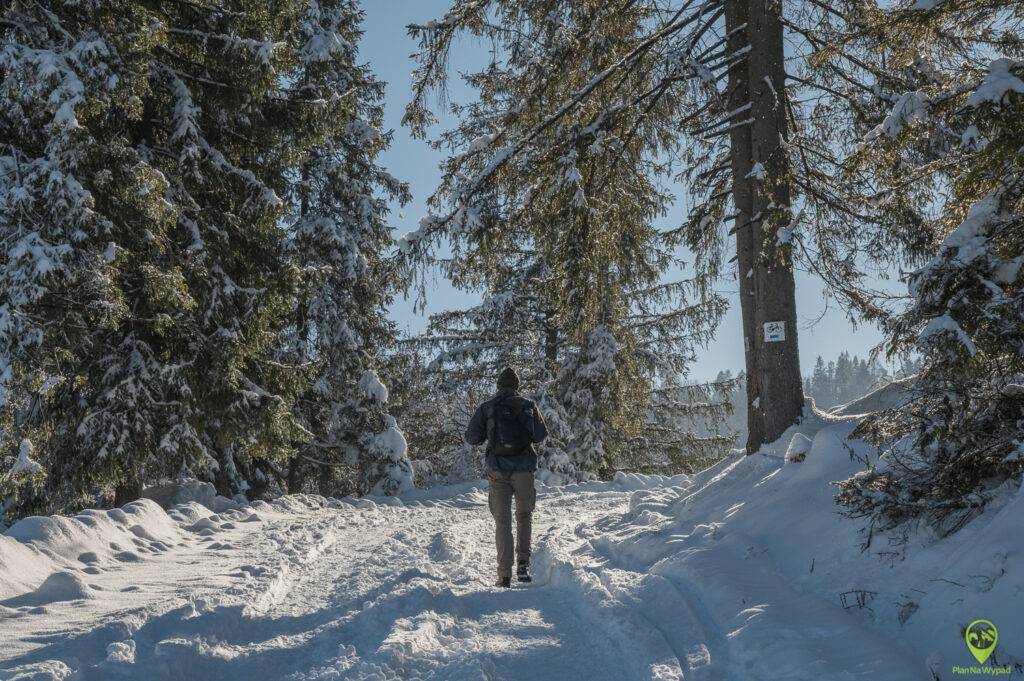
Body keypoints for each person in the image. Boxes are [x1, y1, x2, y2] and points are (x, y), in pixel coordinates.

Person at [465, 366, 548, 588]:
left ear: (499, 386)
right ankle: (523, 563)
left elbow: (472, 437)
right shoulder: (528, 406)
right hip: (524, 471)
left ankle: (504, 575)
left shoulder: (488, 407)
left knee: (502, 521)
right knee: (524, 516)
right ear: (517, 386)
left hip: (498, 471)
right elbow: (540, 435)